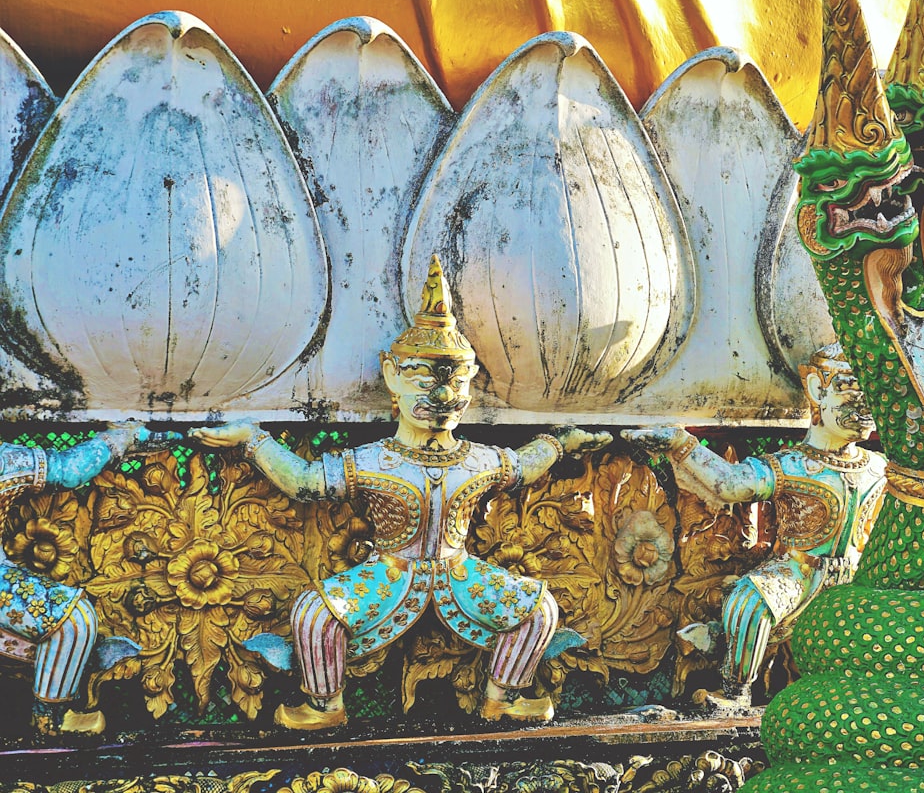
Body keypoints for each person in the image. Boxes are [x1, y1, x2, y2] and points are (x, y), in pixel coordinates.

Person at [192, 256, 610, 729]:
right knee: (314, 613)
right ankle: (325, 705)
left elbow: (524, 467)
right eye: (425, 380)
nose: (444, 395)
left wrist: (561, 442)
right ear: (392, 376)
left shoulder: (476, 459)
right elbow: (306, 482)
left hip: (461, 572)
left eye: (456, 381)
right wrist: (255, 440)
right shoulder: (375, 460)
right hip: (389, 572)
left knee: (540, 608)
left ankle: (503, 695)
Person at [623, 344, 885, 708]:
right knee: (750, 601)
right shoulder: (792, 465)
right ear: (815, 390)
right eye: (848, 389)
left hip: (859, 579)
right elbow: (730, 483)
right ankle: (736, 691)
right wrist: (681, 444)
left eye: (872, 390)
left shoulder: (880, 468)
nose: (863, 405)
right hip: (800, 570)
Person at [0, 422, 163, 734]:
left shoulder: (6, 462)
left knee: (75, 622)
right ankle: (52, 719)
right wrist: (122, 437)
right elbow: (69, 470)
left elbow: (67, 470)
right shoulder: (5, 462)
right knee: (74, 622)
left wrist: (121, 439)